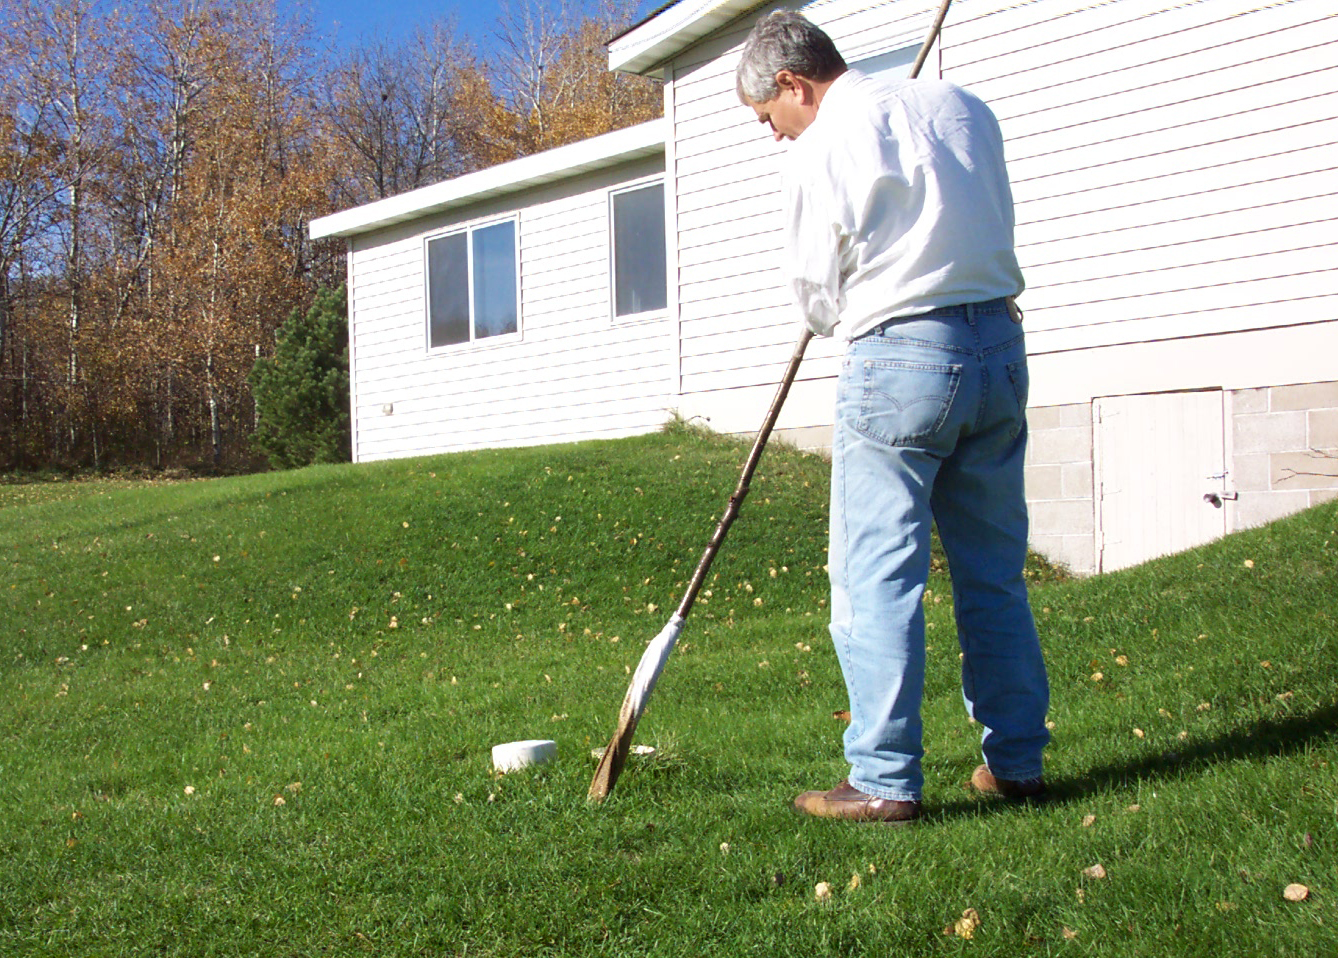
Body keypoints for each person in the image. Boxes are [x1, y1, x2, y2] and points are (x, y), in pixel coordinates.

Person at [736, 11, 1050, 823]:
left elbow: (815, 297)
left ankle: (881, 780)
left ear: (790, 84)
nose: (774, 137)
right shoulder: (962, 107)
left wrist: (843, 303)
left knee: (875, 574)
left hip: (902, 357)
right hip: (998, 345)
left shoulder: (820, 149)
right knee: (992, 573)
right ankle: (1015, 763)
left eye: (768, 119)